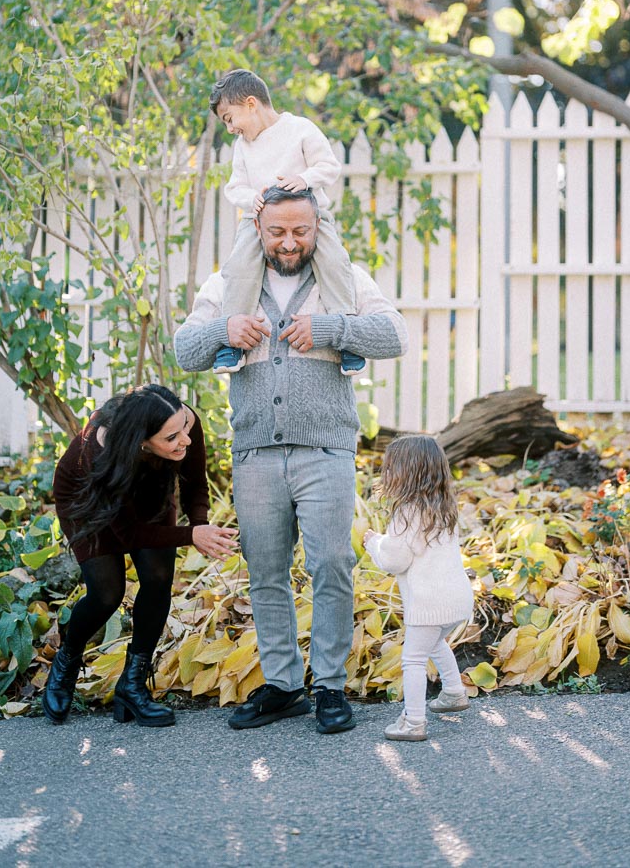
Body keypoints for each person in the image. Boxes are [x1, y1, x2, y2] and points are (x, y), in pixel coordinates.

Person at [174, 185, 408, 735]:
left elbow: (395, 333)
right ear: (259, 229)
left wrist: (330, 327)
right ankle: (283, 686)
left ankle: (328, 685)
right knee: (266, 572)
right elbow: (185, 349)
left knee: (331, 565)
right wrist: (222, 330)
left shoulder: (342, 280)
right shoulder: (228, 285)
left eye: (300, 230)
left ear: (317, 227)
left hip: (325, 450)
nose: (288, 242)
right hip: (256, 453)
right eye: (277, 231)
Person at [45, 383, 237, 728]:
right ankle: (66, 660)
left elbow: (195, 483)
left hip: (150, 485)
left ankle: (132, 685)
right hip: (89, 495)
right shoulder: (99, 448)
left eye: (184, 429)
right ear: (141, 439)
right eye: (172, 437)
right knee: (106, 593)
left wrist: (201, 527)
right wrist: (191, 535)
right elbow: (132, 535)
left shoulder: (184, 423)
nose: (185, 440)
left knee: (159, 577)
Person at [209, 68, 365, 379]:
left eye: (229, 118)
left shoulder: (300, 130)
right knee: (239, 266)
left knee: (334, 262)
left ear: (251, 104)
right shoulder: (243, 147)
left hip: (310, 215)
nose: (229, 128)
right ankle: (232, 342)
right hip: (260, 220)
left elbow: (329, 167)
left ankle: (347, 337)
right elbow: (234, 187)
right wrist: (250, 197)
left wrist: (304, 179)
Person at [363, 434, 474, 742]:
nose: (385, 474)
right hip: (456, 601)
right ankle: (453, 692)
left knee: (413, 659)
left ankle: (413, 722)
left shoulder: (406, 512)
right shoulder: (444, 509)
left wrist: (373, 543)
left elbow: (395, 560)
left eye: (389, 468)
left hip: (428, 603)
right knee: (435, 643)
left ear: (406, 473)